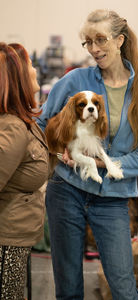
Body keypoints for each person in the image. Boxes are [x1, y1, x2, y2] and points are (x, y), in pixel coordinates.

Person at [37, 9, 138, 300]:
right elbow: (42, 125)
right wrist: (60, 150)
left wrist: (96, 162)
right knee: (68, 289)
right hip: (66, 191)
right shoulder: (74, 81)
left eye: (100, 40)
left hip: (113, 199)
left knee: (123, 288)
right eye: (87, 42)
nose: (94, 49)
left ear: (120, 40)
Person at [0, 42, 49, 300]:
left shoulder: (23, 121)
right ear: (18, 77)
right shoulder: (13, 128)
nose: (35, 69)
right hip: (6, 240)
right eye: (30, 65)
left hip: (15, 237)